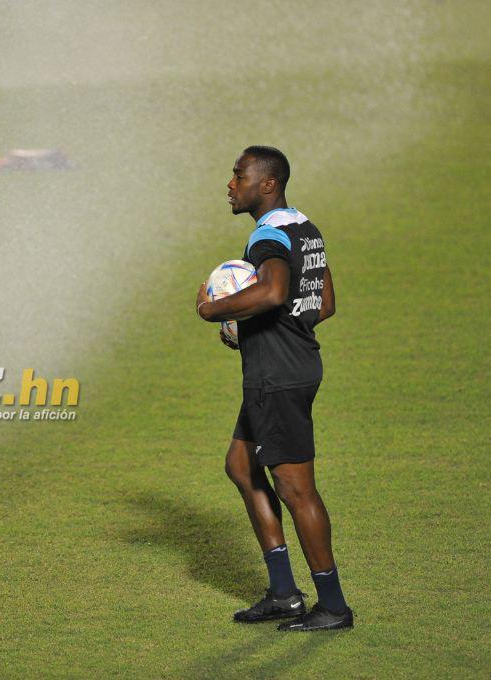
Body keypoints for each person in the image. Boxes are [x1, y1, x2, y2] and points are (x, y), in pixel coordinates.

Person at [195, 146, 353, 632]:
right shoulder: (304, 227)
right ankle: (284, 594)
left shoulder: (266, 238)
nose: (230, 184)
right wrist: (255, 326)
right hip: (294, 366)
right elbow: (323, 303)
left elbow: (274, 291)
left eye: (238, 176)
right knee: (241, 467)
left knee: (295, 488)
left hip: (276, 379)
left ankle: (332, 606)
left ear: (267, 185)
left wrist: (214, 310)